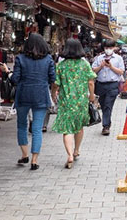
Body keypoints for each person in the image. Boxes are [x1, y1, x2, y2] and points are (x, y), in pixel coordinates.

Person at [11, 33, 56, 170]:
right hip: (41, 95)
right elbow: (52, 78)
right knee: (37, 128)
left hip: (23, 94)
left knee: (22, 125)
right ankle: (34, 160)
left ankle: (24, 154)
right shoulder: (48, 59)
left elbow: (15, 79)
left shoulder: (20, 58)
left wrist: (8, 73)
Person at [51, 38, 97, 169]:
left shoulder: (61, 65)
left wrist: (54, 94)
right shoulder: (85, 64)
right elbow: (91, 82)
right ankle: (76, 150)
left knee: (67, 129)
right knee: (79, 127)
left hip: (66, 101)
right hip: (81, 101)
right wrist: (92, 96)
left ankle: (69, 154)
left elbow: (56, 84)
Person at [92, 39, 125, 136]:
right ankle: (107, 122)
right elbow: (93, 70)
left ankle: (106, 126)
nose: (108, 50)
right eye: (106, 48)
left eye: (110, 48)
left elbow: (121, 72)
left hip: (113, 85)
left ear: (114, 48)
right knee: (103, 105)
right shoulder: (99, 58)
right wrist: (101, 66)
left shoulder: (118, 58)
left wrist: (111, 67)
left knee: (107, 104)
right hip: (100, 85)